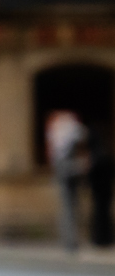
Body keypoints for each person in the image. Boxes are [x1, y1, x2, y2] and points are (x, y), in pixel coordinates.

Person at [47, 108, 90, 253]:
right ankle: (70, 242)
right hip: (65, 171)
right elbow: (81, 136)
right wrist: (82, 165)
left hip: (64, 170)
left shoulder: (57, 129)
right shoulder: (66, 129)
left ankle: (70, 241)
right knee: (68, 209)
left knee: (70, 208)